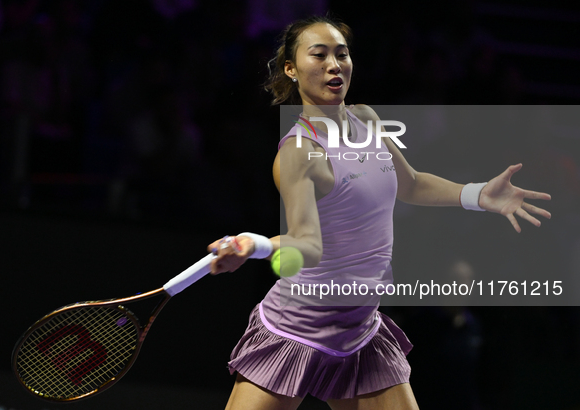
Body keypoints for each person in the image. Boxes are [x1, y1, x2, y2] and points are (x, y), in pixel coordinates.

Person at [206, 15, 551, 410]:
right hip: (297, 328)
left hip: (359, 331)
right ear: (291, 69)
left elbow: (412, 184)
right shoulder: (299, 152)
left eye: (342, 54)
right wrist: (255, 244)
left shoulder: (367, 119)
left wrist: (477, 195)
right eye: (319, 55)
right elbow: (306, 244)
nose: (335, 65)